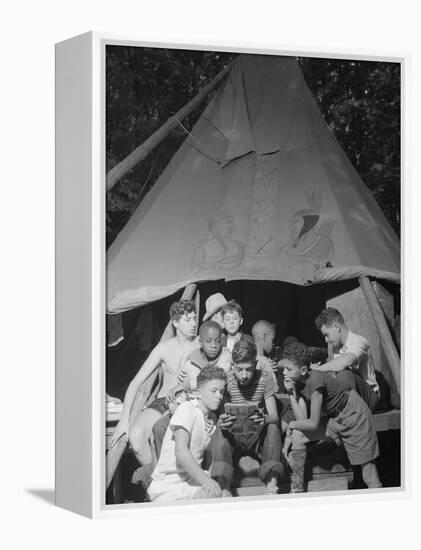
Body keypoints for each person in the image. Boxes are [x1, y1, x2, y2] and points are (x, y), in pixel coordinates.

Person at [282, 341, 382, 493]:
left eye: (288, 369)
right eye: (284, 369)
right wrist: (291, 394)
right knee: (299, 435)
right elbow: (302, 420)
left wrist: (292, 424)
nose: (284, 373)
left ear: (303, 370)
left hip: (353, 415)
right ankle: (297, 488)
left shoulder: (315, 380)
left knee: (369, 474)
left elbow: (313, 423)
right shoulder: (297, 382)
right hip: (334, 419)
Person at [109, 300, 198, 466]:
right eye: (188, 320)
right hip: (163, 402)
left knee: (172, 438)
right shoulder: (164, 348)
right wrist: (124, 420)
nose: (193, 323)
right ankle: (155, 480)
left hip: (188, 402)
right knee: (136, 436)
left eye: (194, 318)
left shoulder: (200, 345)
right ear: (176, 322)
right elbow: (135, 383)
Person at [211, 337, 285, 495]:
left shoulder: (265, 379)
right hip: (235, 438)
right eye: (239, 369)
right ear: (232, 366)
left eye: (249, 369)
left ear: (256, 364)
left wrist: (264, 419)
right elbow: (221, 415)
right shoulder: (227, 380)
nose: (244, 375)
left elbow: (274, 416)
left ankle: (272, 483)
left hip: (257, 438)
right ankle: (224, 487)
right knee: (219, 431)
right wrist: (222, 421)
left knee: (273, 427)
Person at [147, 366, 229, 502]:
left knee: (221, 496)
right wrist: (206, 481)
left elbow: (206, 458)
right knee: (211, 497)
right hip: (169, 484)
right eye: (213, 391)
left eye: (221, 392)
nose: (219, 396)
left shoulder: (210, 420)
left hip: (191, 481)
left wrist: (213, 482)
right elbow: (181, 452)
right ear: (198, 393)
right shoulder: (187, 409)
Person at [312, 307, 380, 411]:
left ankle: (344, 412)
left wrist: (318, 369)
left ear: (337, 327)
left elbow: (345, 362)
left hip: (369, 396)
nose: (326, 340)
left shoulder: (359, 341)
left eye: (327, 335)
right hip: (350, 394)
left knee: (344, 373)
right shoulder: (335, 347)